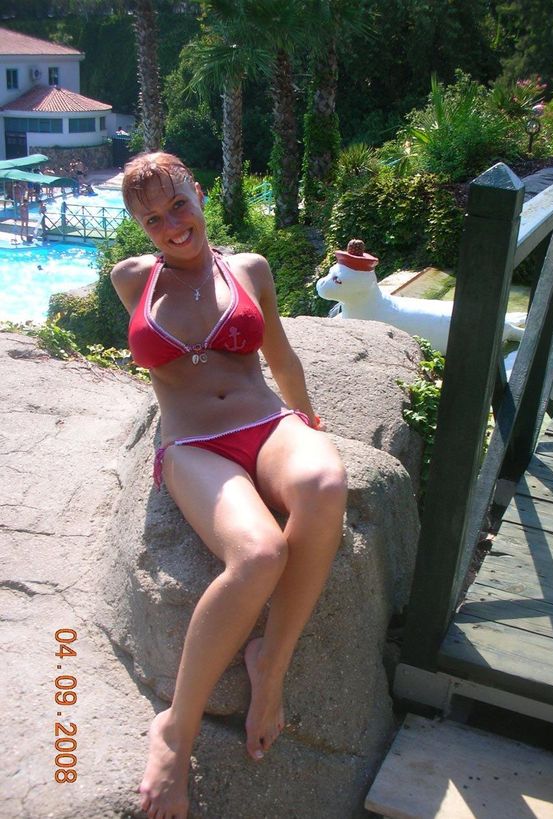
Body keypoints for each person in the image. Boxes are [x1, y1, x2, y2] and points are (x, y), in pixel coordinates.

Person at [110, 152, 347, 819]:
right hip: (192, 446)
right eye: (153, 220)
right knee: (261, 553)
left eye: (178, 205)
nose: (171, 226)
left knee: (325, 480)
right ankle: (174, 730)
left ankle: (270, 661)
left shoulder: (249, 270)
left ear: (199, 193)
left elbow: (280, 356)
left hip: (265, 423)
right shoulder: (132, 279)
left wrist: (307, 417)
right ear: (140, 227)